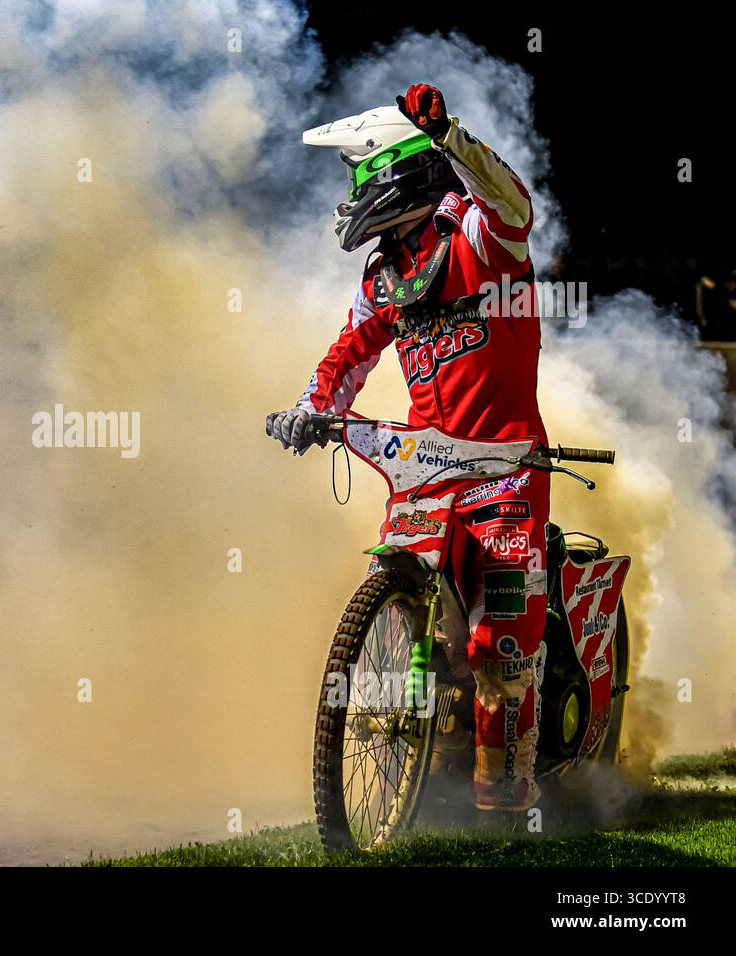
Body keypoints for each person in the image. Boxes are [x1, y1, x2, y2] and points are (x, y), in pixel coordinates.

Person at [266, 84, 548, 812]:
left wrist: (449, 133)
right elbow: (352, 350)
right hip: (426, 477)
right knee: (415, 610)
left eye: (358, 175)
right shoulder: (384, 272)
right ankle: (407, 774)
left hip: (505, 472)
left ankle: (505, 808)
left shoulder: (479, 234)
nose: (351, 194)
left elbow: (515, 204)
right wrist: (309, 412)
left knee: (499, 648)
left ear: (394, 171)